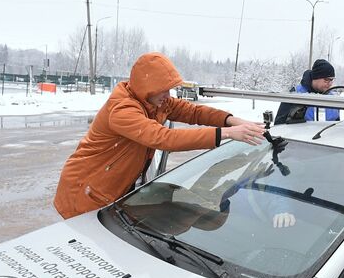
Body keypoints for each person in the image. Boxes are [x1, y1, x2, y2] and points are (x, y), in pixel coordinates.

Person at [52, 52, 266, 219]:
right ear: (146, 88)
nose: (168, 96)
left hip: (109, 189)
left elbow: (194, 112)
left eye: (170, 90)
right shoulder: (122, 110)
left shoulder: (155, 102)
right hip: (85, 192)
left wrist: (233, 120)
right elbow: (165, 138)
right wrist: (227, 133)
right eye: (163, 90)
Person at [274, 58, 340, 126]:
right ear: (315, 77)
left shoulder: (332, 99)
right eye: (326, 80)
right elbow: (279, 125)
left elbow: (336, 125)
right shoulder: (295, 95)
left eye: (332, 80)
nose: (330, 84)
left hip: (327, 136)